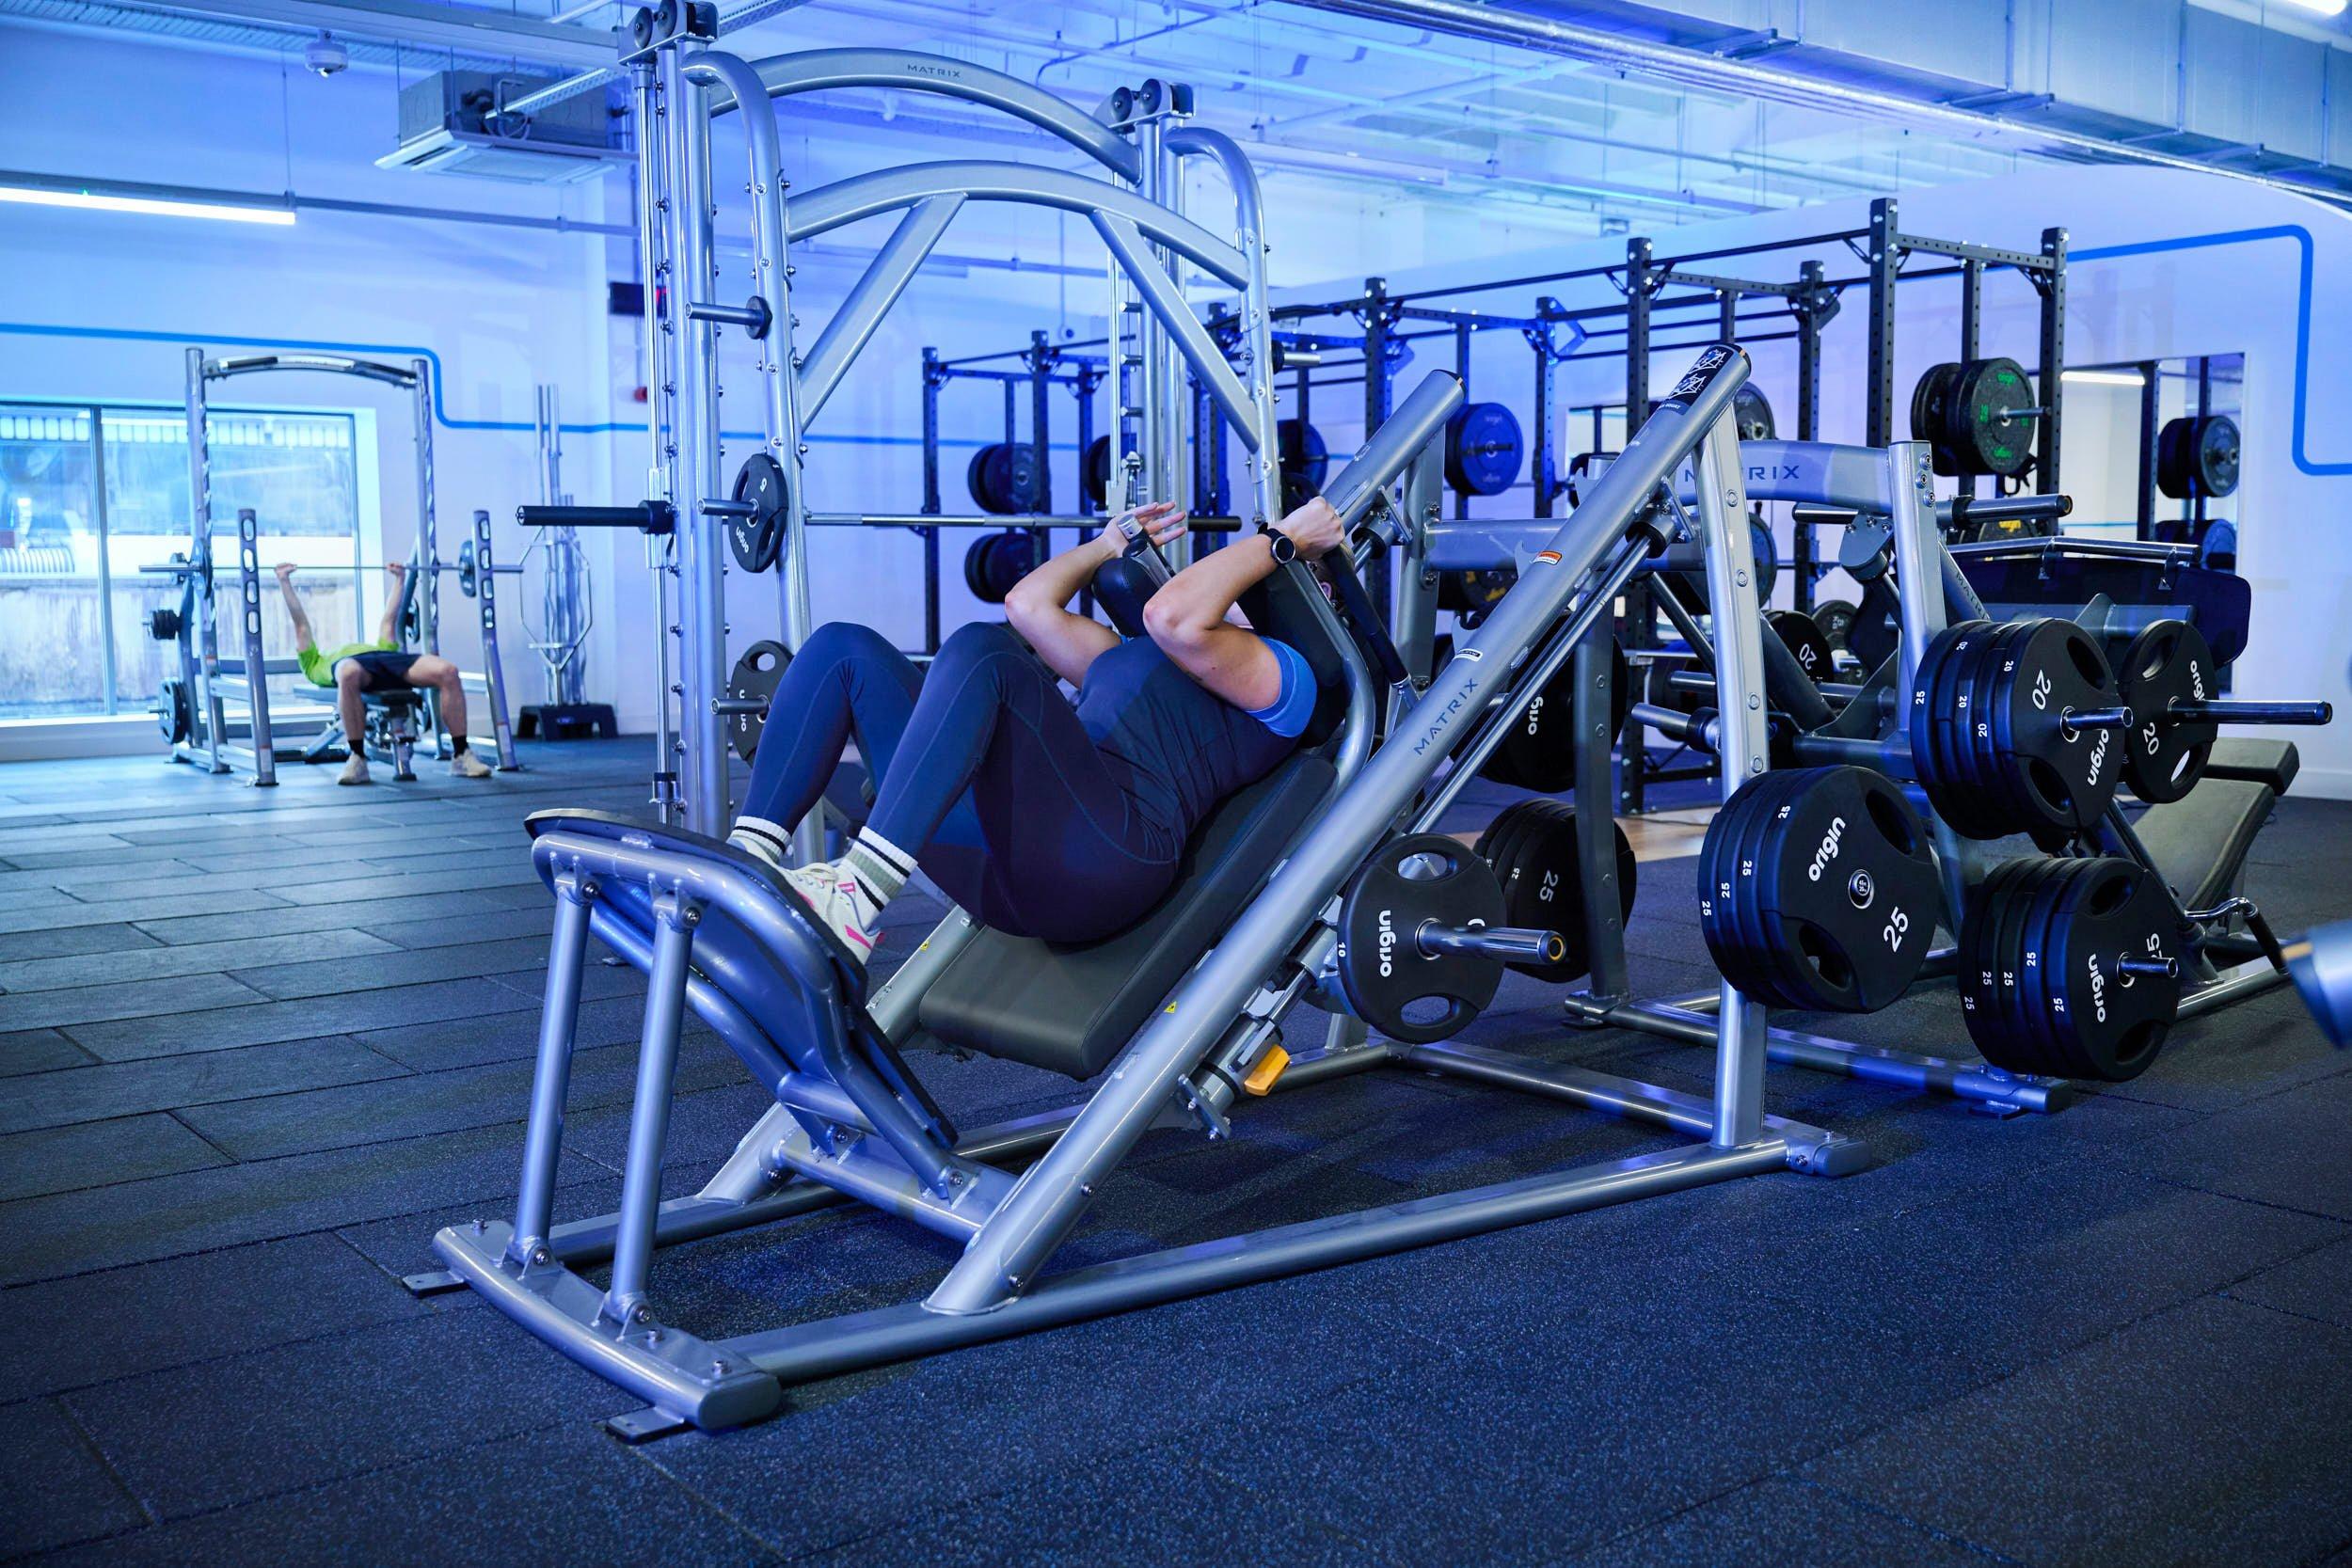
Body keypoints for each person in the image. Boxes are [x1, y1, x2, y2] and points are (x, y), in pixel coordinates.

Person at [726, 497, 1343, 962]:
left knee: (986, 654)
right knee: (844, 649)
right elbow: (1027, 605)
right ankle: (742, 871)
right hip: (1015, 857)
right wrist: (1106, 544)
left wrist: (1283, 539)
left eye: (1297, 580)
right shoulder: (1128, 653)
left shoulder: (1282, 677)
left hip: (1108, 858)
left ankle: (856, 897)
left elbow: (1174, 615)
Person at [274, 561, 494, 784]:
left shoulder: (380, 646)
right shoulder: (314, 662)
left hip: (385, 658)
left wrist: (399, 579)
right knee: (348, 672)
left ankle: (460, 755)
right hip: (352, 667)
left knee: (448, 671)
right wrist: (284, 581)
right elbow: (300, 622)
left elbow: (389, 618)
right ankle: (357, 758)